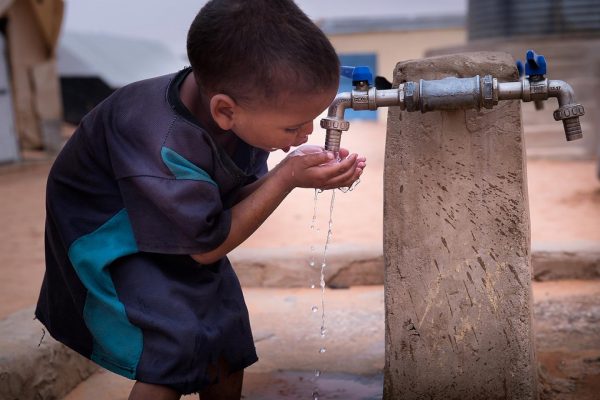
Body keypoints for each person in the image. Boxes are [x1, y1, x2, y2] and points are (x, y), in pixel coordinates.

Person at [35, 0, 366, 399]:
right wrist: (286, 178)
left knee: (227, 333)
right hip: (110, 240)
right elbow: (206, 247)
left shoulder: (239, 113)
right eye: (293, 126)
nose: (305, 133)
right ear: (225, 111)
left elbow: (225, 203)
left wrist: (289, 171)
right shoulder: (162, 143)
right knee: (173, 346)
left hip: (176, 226)